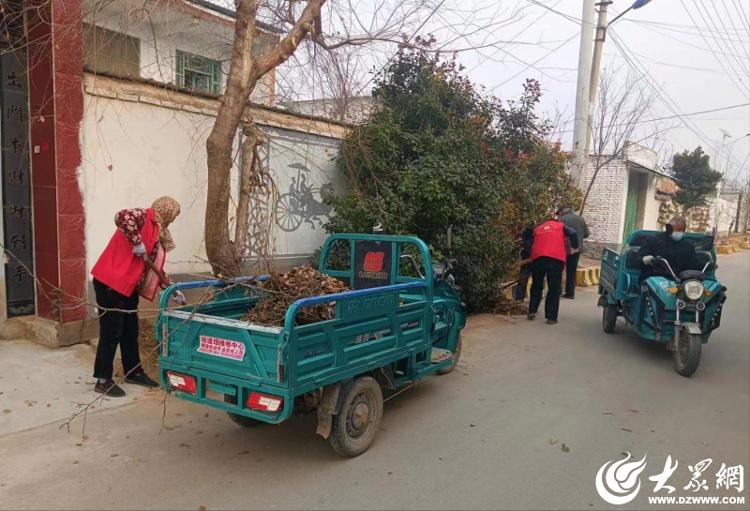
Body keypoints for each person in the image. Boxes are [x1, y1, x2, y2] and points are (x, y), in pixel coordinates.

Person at [90, 196, 186, 397]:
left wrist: (171, 288)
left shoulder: (158, 232)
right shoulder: (143, 216)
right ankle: (102, 379)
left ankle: (133, 372)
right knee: (111, 331)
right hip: (110, 282)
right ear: (165, 210)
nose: (173, 219)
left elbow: (155, 268)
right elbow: (121, 216)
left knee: (130, 330)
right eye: (173, 214)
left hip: (128, 286)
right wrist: (136, 240)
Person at [527, 214, 579, 324]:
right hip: (555, 259)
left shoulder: (538, 228)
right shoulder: (560, 226)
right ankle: (551, 317)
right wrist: (574, 245)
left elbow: (528, 239)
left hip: (538, 258)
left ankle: (532, 311)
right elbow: (573, 233)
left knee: (536, 285)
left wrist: (531, 250)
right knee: (554, 288)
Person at [557, 206, 589, 299]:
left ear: (562, 211)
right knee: (571, 271)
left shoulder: (561, 219)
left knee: (559, 270)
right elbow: (586, 234)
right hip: (576, 250)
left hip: (563, 249)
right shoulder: (580, 219)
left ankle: (558, 292)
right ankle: (570, 293)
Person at [512, 226, 534, 303]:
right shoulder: (525, 237)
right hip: (530, 257)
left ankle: (520, 298)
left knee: (524, 278)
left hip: (532, 258)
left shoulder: (526, 236)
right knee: (524, 278)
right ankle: (520, 297)